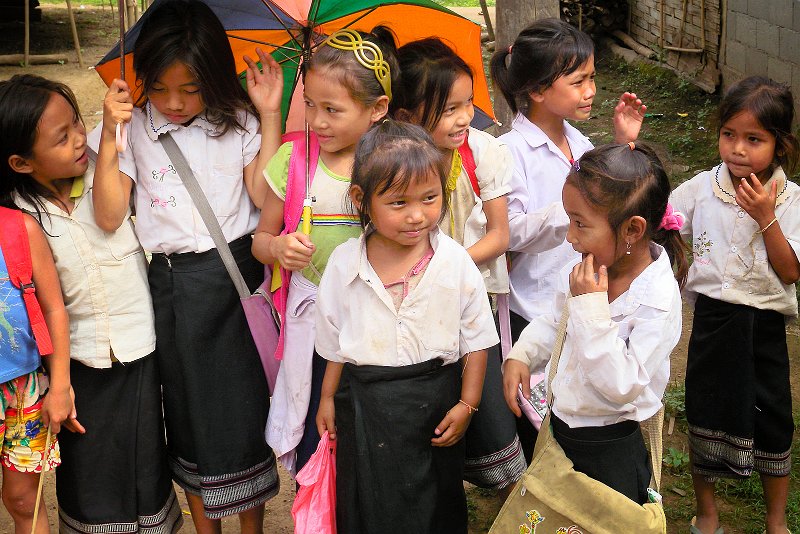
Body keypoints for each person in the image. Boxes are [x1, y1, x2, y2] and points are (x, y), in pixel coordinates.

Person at [90, 0, 284, 529]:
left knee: (242, 415)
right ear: (142, 79)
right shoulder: (131, 129)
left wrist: (269, 116)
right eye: (161, 88)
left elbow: (264, 194)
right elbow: (109, 214)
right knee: (186, 416)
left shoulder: (240, 120)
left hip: (236, 278)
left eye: (191, 89)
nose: (175, 103)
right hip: (172, 287)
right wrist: (110, 133)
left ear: (215, 79)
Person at [314, 119, 498, 532]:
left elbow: (477, 341)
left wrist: (467, 405)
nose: (417, 215)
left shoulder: (455, 263)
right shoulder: (345, 264)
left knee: (435, 503)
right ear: (362, 199)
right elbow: (332, 343)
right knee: (367, 503)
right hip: (365, 406)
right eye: (398, 203)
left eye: (429, 198)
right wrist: (327, 398)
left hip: (435, 403)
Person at [490, 18, 647, 460]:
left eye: (592, 77)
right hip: (533, 305)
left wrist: (620, 144)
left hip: (580, 297)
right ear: (538, 91)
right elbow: (509, 231)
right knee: (537, 420)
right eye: (578, 81)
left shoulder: (580, 144)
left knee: (573, 406)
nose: (590, 90)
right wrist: (576, 213)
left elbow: (609, 193)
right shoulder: (509, 152)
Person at [503, 142, 689, 505]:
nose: (570, 237)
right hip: (562, 430)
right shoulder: (589, 267)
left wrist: (590, 309)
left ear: (632, 230)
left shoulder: (657, 298)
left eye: (580, 224)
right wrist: (523, 354)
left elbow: (622, 385)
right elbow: (556, 321)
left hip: (613, 445)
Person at [252, 27, 398, 475]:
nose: (317, 120)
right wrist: (278, 247)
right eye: (311, 105)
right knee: (317, 426)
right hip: (311, 330)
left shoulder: (390, 164)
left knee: (369, 435)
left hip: (375, 325)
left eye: (332, 110)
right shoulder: (293, 160)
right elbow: (260, 239)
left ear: (377, 109)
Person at [391, 37, 525, 491]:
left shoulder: (482, 153)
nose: (465, 117)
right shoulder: (391, 165)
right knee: (427, 418)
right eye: (450, 109)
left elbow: (500, 236)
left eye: (468, 104)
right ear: (406, 118)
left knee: (484, 411)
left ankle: (510, 501)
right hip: (410, 314)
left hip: (470, 305)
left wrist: (443, 267)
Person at [671, 76, 799, 534]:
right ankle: (707, 514)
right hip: (713, 319)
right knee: (706, 410)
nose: (738, 149)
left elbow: (791, 271)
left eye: (754, 139)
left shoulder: (790, 200)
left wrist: (766, 217)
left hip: (763, 325)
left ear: (780, 146)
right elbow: (666, 220)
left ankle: (776, 520)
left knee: (774, 418)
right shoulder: (703, 189)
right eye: (729, 135)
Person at [0, 76, 79, 534]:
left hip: (25, 391)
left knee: (23, 498)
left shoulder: (19, 229)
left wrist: (61, 385)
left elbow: (54, 309)